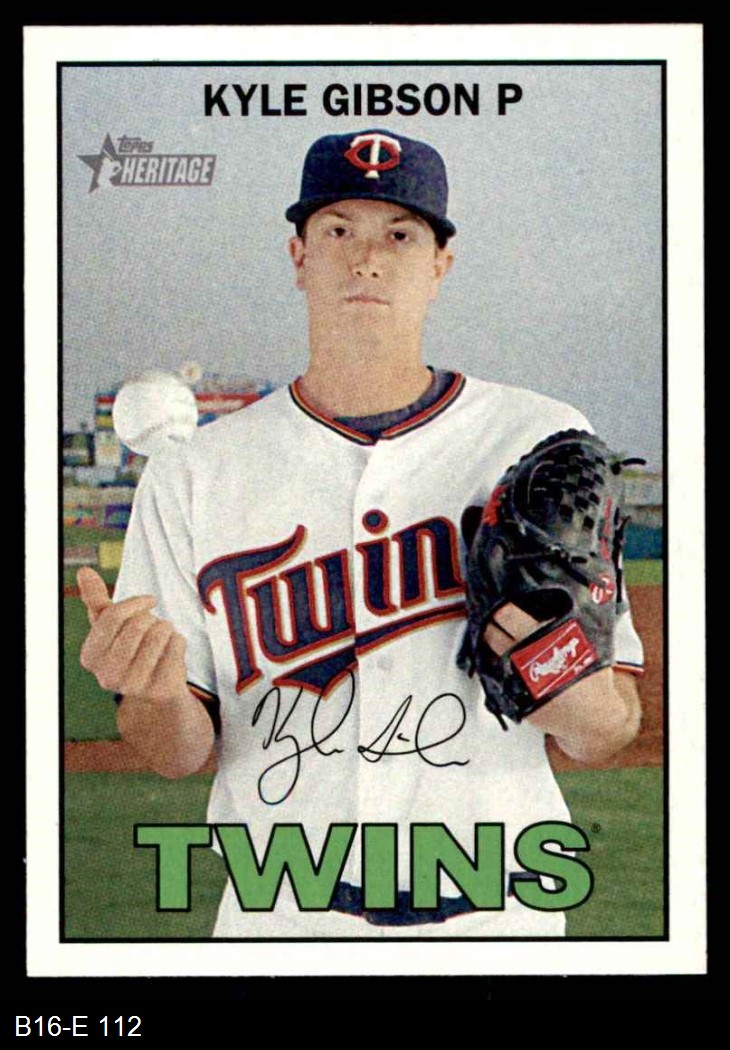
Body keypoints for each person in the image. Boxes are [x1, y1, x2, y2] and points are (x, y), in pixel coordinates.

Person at [77, 128, 644, 938]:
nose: (367, 259)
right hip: (278, 918)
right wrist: (156, 693)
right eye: (339, 229)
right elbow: (174, 752)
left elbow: (607, 730)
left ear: (440, 264)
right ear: (299, 256)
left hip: (499, 918)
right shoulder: (197, 471)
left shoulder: (537, 439)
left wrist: (558, 676)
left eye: (400, 235)